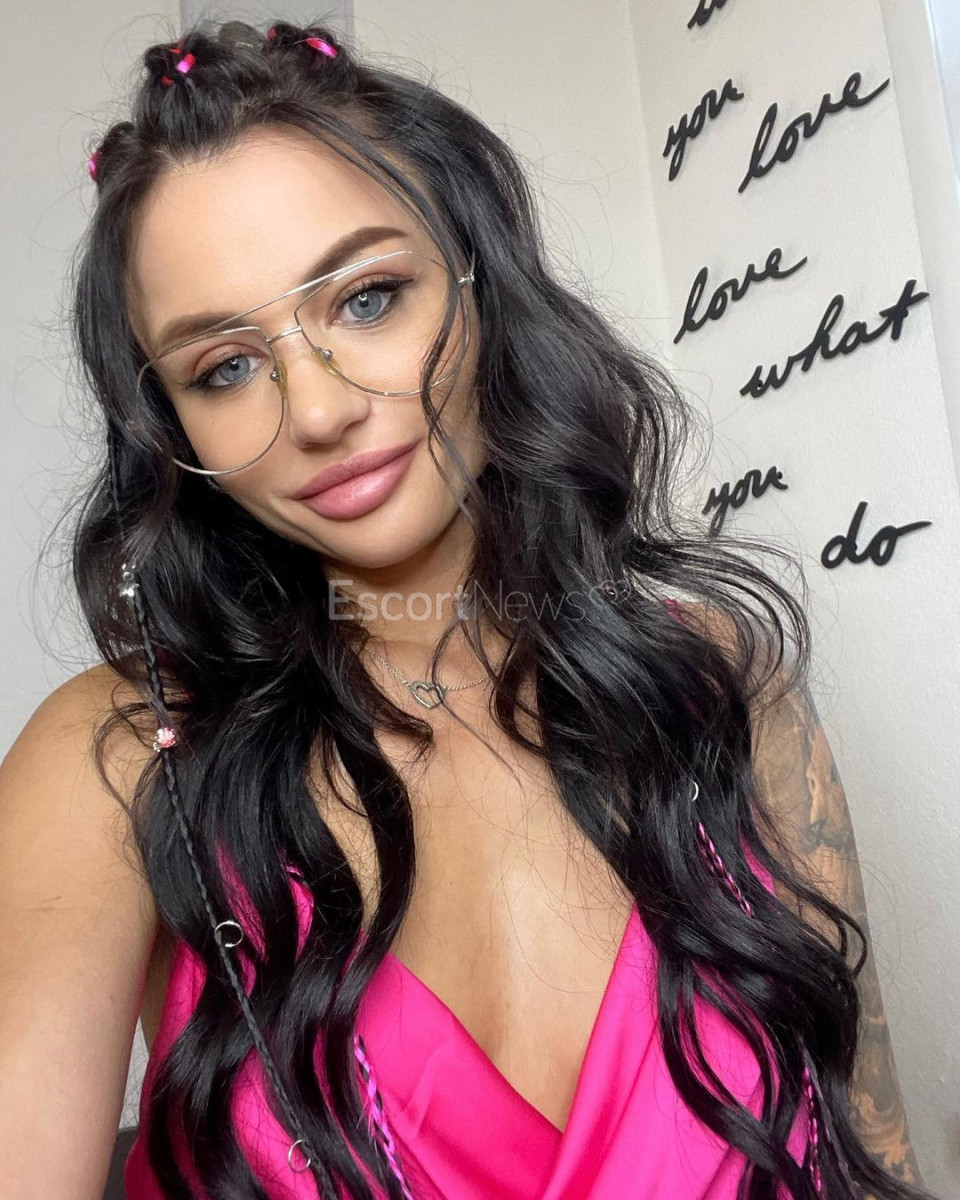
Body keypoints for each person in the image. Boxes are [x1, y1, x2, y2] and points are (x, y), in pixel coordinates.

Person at [0, 17, 935, 1200]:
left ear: (480, 278)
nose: (319, 411)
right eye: (224, 367)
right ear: (170, 426)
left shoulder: (716, 678)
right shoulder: (120, 762)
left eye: (368, 298)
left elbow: (870, 1151)